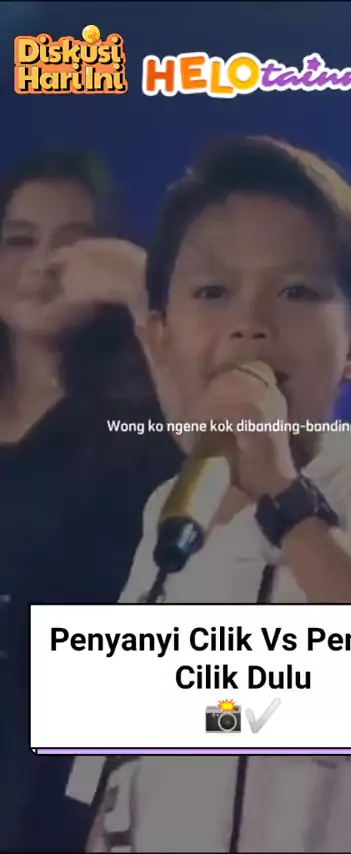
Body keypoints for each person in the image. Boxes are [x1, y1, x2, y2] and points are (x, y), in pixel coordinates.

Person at [69, 136, 351, 852]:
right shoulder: (172, 509)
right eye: (212, 292)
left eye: (296, 292)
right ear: (162, 337)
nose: (250, 321)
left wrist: (285, 499)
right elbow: (124, 768)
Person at [0, 149, 182, 852]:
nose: (42, 264)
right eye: (18, 240)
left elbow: (232, 445)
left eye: (73, 244)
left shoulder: (145, 418)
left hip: (81, 788)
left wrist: (142, 290)